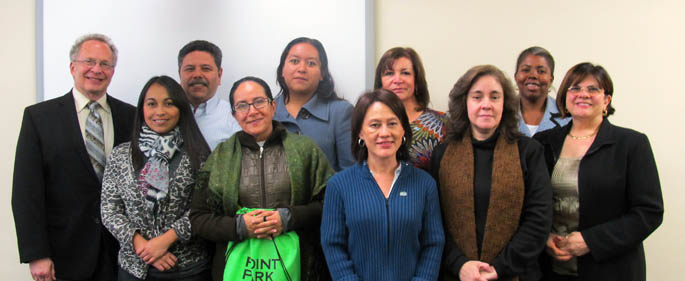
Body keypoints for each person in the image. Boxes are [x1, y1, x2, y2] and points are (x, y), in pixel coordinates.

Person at [12, 33, 136, 281]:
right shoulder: (40, 118)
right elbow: (27, 192)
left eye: (105, 64)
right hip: (63, 253)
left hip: (121, 254)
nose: (96, 70)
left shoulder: (131, 117)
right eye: (89, 61)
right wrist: (36, 254)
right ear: (73, 67)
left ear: (113, 71)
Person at [189, 76, 334, 281]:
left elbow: (331, 204)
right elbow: (199, 218)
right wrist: (239, 227)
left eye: (259, 102)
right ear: (234, 115)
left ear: (273, 106)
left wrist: (289, 218)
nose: (252, 111)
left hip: (298, 266)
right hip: (238, 267)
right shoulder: (221, 156)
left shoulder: (305, 150)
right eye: (242, 106)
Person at [533, 63, 663, 281]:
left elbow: (649, 211)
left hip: (610, 269)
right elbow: (530, 203)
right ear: (565, 97)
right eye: (575, 88)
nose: (583, 94)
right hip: (550, 268)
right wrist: (543, 237)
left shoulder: (631, 144)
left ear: (606, 100)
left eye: (593, 89)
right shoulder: (542, 143)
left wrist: (591, 241)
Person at [431, 65, 552, 281]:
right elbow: (433, 221)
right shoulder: (442, 154)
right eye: (477, 97)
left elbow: (539, 219)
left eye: (494, 97)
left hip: (516, 273)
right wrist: (460, 265)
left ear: (504, 104)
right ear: (464, 103)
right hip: (456, 274)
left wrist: (499, 268)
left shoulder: (529, 152)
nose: (486, 104)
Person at [321, 89, 445, 281]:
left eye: (392, 124)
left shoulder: (425, 184)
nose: (385, 133)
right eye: (375, 125)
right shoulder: (339, 185)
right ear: (360, 132)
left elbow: (433, 243)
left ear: (403, 129)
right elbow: (333, 244)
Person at [101, 76, 211, 280]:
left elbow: (205, 208)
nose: (159, 111)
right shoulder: (120, 155)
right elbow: (110, 210)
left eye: (169, 104)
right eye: (151, 104)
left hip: (187, 269)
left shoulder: (199, 154)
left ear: (181, 109)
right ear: (142, 109)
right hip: (134, 268)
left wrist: (166, 240)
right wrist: (143, 246)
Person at [274, 37, 355, 171]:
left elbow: (351, 173)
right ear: (282, 69)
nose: (302, 69)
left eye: (311, 63)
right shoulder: (266, 111)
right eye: (294, 61)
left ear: (322, 74)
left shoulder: (341, 112)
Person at [374, 47, 448, 171]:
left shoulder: (442, 123)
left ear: (417, 80)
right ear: (380, 82)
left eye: (405, 73)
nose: (397, 80)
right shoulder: (369, 123)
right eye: (389, 73)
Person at [177, 40, 240, 150]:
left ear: (219, 75)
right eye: (190, 69)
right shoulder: (164, 115)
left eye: (206, 68)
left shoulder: (235, 118)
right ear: (179, 75)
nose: (197, 75)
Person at [515, 46, 570, 136]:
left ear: (551, 79)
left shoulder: (566, 116)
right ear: (516, 76)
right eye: (526, 70)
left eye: (541, 71)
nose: (533, 75)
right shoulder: (502, 113)